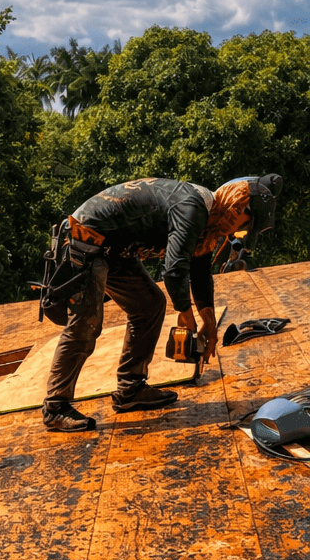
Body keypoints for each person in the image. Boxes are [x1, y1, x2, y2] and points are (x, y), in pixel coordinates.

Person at [42, 174, 283, 433]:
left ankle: (130, 389)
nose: (239, 232)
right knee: (87, 323)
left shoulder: (209, 220)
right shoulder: (193, 208)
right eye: (246, 224)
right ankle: (56, 407)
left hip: (116, 248)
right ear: (239, 206)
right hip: (88, 239)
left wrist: (209, 323)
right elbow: (174, 267)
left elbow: (200, 272)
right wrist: (184, 314)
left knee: (149, 305)